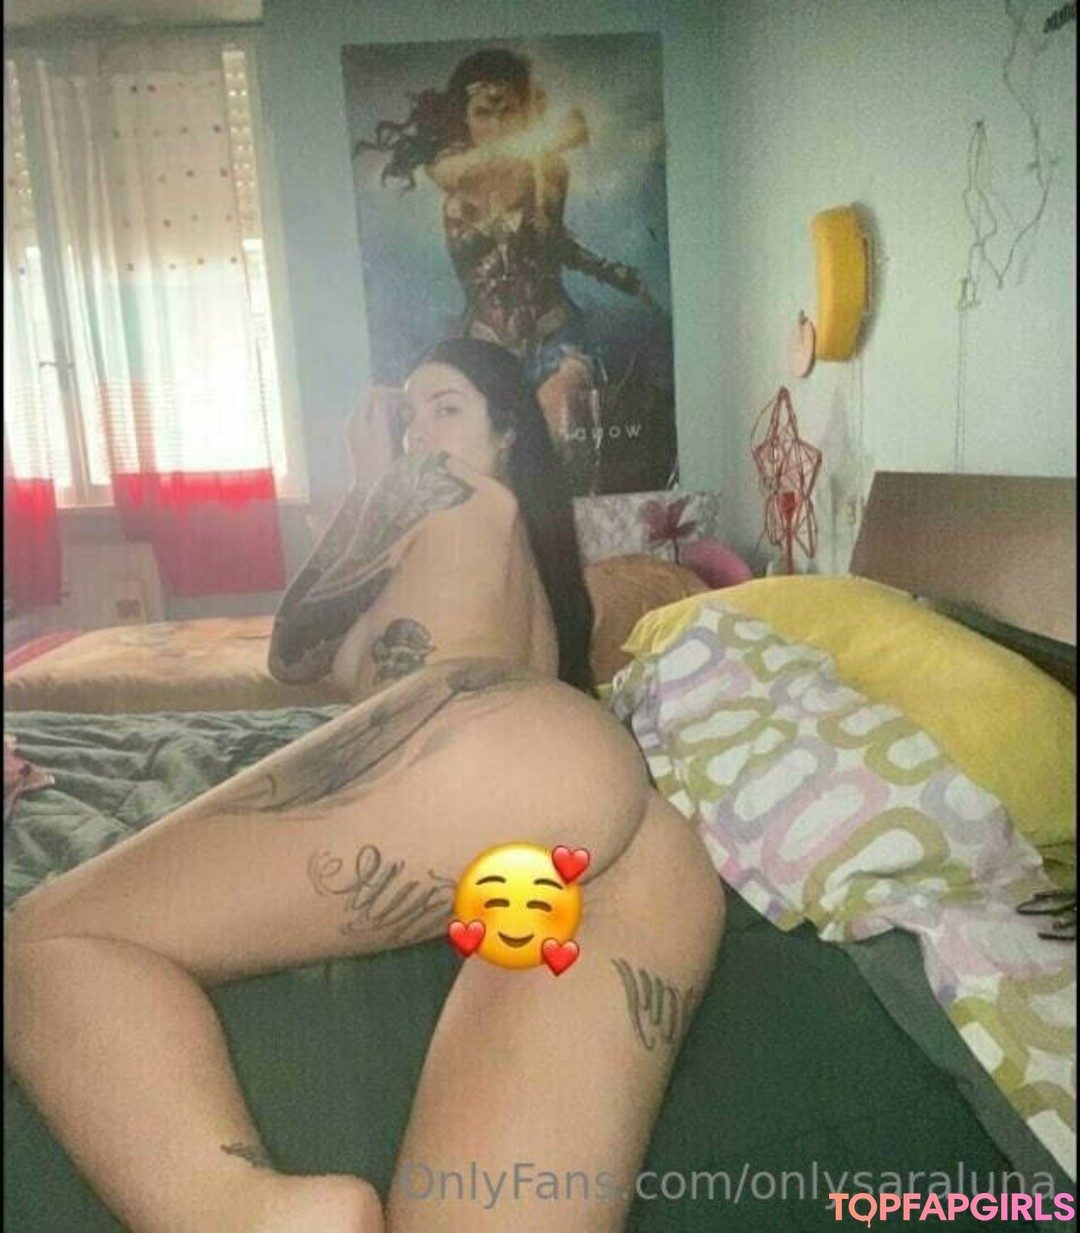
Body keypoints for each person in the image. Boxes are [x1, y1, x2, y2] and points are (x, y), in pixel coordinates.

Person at [4, 338, 725, 1233]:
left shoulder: (433, 488)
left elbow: (290, 649)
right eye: (407, 413)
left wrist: (367, 473)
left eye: (446, 408)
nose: (420, 431)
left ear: (508, 432)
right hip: (639, 836)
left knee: (51, 939)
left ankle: (248, 1215)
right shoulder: (534, 558)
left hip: (491, 757)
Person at [359, 49, 656, 492]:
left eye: (508, 112)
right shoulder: (453, 173)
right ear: (464, 119)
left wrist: (612, 273)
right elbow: (468, 169)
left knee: (561, 437)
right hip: (485, 349)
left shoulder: (549, 172)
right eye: (483, 113)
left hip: (557, 337)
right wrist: (552, 136)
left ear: (524, 113)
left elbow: (549, 237)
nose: (496, 126)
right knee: (485, 470)